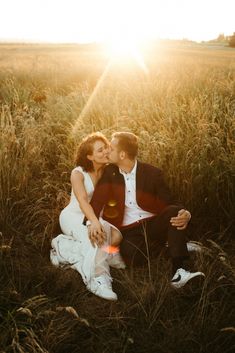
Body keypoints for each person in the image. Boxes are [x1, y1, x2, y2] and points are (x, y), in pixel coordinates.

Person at [88, 131, 205, 289]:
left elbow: (170, 201)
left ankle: (179, 271)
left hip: (154, 224)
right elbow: (97, 200)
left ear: (122, 155)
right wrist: (91, 221)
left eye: (111, 147)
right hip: (129, 231)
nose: (108, 150)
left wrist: (186, 213)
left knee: (175, 212)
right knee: (131, 257)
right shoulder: (110, 173)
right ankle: (176, 244)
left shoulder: (152, 173)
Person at [50, 132, 125, 301]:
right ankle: (97, 278)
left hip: (93, 217)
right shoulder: (78, 173)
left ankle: (62, 248)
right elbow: (83, 201)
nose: (106, 151)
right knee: (98, 237)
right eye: (100, 150)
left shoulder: (108, 171)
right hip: (73, 216)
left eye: (106, 147)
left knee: (117, 236)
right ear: (90, 156)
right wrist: (93, 221)